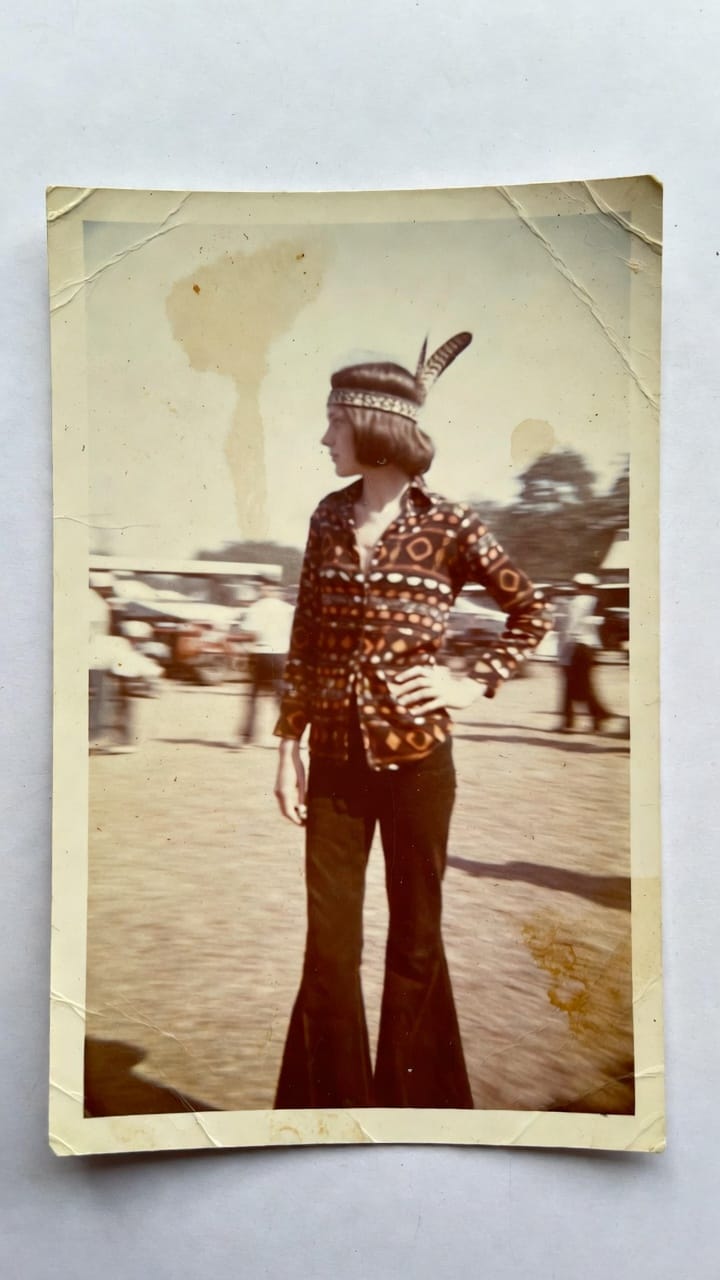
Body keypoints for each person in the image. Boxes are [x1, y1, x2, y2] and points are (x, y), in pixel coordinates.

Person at [272, 333, 552, 1110]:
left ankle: (416, 1113)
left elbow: (531, 612)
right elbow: (305, 635)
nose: (324, 438)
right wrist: (288, 747)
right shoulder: (328, 517)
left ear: (373, 428)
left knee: (416, 942)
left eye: (334, 422)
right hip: (333, 763)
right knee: (330, 949)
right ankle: (328, 1117)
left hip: (420, 766)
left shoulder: (453, 524)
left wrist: (469, 682)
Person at [236, 579, 295, 747]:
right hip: (280, 654)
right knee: (280, 697)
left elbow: (249, 632)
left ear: (264, 590)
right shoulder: (288, 609)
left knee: (254, 697)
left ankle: (247, 737)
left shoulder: (256, 607)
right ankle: (289, 734)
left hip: (261, 653)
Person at [556, 572, 612, 733]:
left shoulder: (573, 603)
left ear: (577, 586)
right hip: (590, 647)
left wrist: (562, 654)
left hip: (575, 647)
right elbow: (601, 624)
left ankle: (573, 720)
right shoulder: (598, 602)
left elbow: (568, 628)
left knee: (572, 685)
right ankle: (597, 717)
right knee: (584, 685)